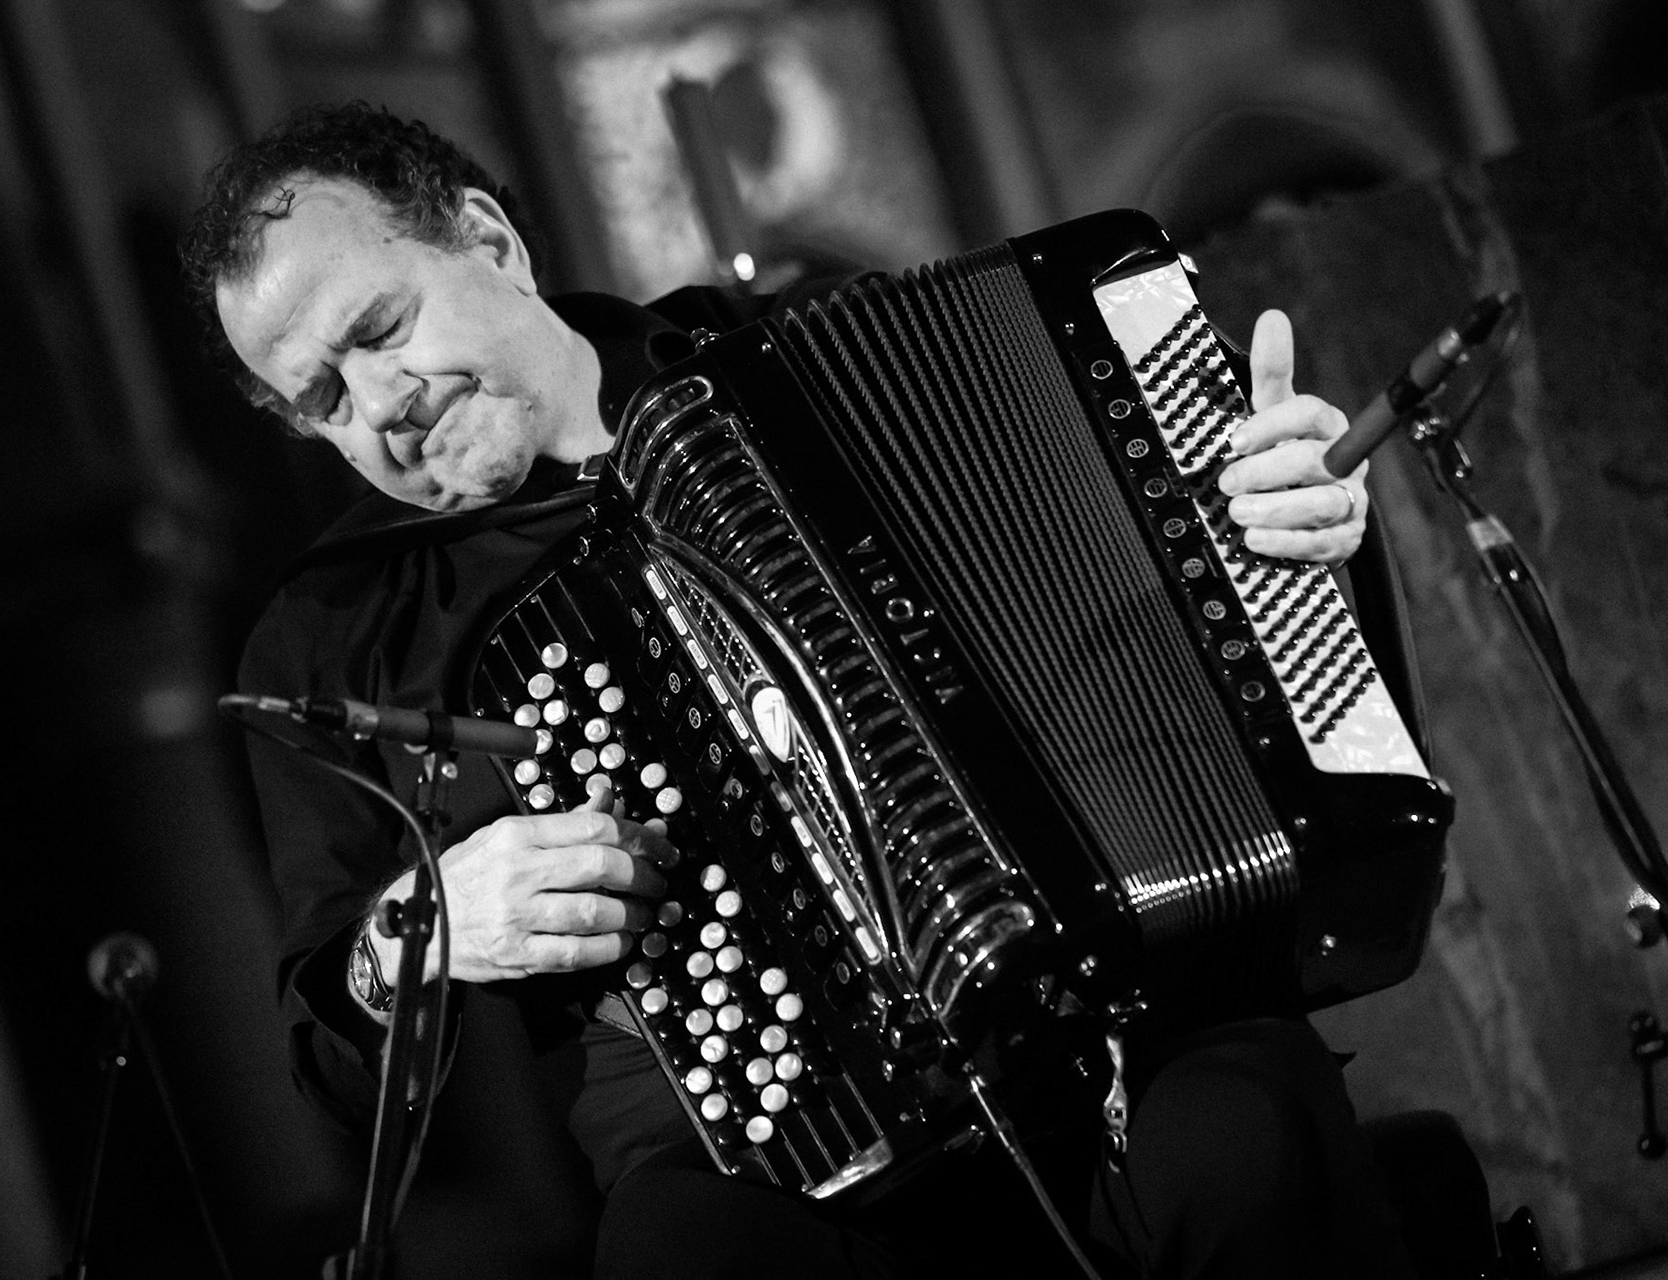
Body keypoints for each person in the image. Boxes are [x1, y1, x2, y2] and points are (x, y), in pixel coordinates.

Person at [180, 102, 1442, 1278]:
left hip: (1114, 1003)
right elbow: (326, 1060)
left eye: (382, 331)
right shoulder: (329, 641)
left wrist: (1285, 532)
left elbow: (1186, 594)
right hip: (768, 1159)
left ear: (488, 240)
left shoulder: (809, 350)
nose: (382, 405)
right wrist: (423, 921)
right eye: (323, 399)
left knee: (1245, 1149)